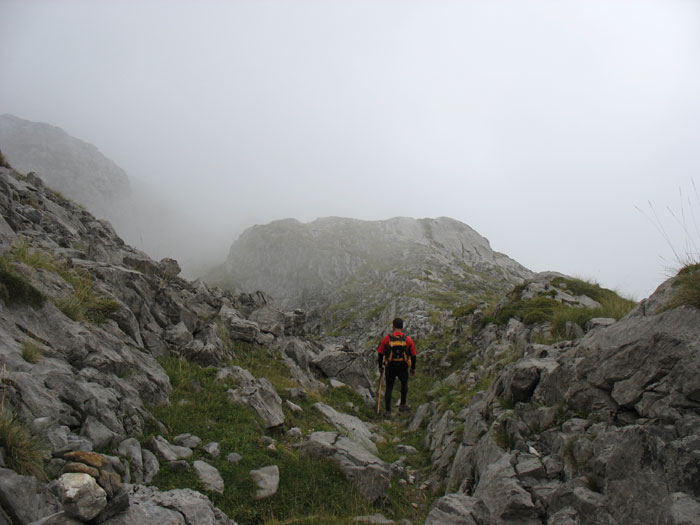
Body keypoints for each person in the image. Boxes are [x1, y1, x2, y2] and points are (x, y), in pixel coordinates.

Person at [377, 317, 417, 417]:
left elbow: (380, 353)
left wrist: (380, 367)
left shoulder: (387, 338)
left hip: (390, 366)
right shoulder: (407, 339)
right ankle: (403, 405)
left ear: (393, 326)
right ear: (402, 327)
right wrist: (413, 368)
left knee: (389, 388)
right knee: (404, 384)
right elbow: (413, 354)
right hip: (403, 365)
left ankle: (388, 411)